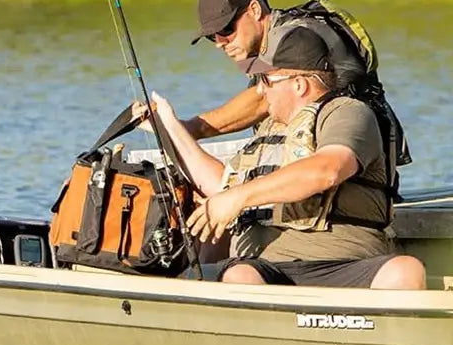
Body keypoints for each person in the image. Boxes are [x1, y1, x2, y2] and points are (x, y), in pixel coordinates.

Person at [147, 25, 425, 289]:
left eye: (266, 80)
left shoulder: (346, 112)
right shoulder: (270, 129)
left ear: (299, 85)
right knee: (239, 275)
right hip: (269, 268)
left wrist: (238, 198)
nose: (260, 90)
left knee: (405, 271)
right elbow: (223, 186)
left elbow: (327, 169)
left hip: (346, 265)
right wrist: (170, 125)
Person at [183, 0, 410, 189]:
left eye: (226, 29)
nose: (220, 42)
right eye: (212, 36)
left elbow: (260, 101)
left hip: (355, 177)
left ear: (254, 9)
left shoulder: (294, 38)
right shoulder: (269, 45)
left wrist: (191, 129)